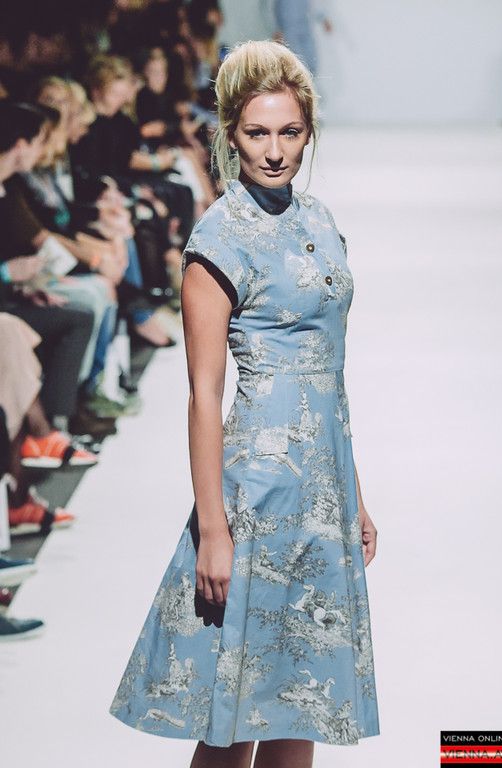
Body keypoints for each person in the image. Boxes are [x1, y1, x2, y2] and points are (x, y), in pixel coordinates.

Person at [109, 40, 380, 766]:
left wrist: (352, 494)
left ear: (309, 131)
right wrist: (212, 529)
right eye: (257, 133)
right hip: (255, 493)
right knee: (233, 715)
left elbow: (330, 377)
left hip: (321, 487)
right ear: (231, 135)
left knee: (304, 699)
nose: (275, 150)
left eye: (290, 131)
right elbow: (203, 394)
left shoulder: (319, 221)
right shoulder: (219, 239)